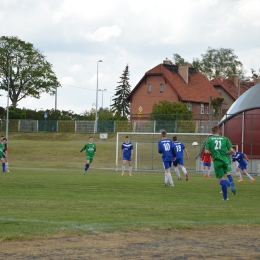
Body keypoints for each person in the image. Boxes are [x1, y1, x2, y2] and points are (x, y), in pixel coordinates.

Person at [205, 125, 236, 201]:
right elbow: (232, 151)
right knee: (228, 173)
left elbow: (206, 151)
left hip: (217, 161)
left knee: (220, 180)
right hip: (226, 160)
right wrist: (226, 154)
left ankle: (230, 184)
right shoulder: (225, 139)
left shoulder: (210, 139)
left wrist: (212, 153)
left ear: (212, 132)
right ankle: (225, 198)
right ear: (219, 131)